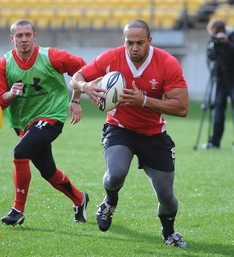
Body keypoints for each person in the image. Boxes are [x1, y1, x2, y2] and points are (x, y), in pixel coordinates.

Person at [70, 19, 189, 248]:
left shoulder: (167, 62)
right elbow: (78, 77)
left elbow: (182, 107)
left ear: (149, 41)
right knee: (115, 174)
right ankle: (110, 201)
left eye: (140, 43)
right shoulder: (112, 57)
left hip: (154, 133)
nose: (134, 48)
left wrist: (143, 100)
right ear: (123, 41)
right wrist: (85, 89)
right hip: (120, 128)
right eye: (130, 42)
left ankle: (169, 232)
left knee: (166, 195)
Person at [0, 19, 89, 226]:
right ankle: (80, 199)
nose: (23, 39)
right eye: (19, 35)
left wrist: (75, 100)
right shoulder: (4, 63)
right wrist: (9, 94)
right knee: (48, 172)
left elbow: (83, 70)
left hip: (52, 116)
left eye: (27, 35)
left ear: (34, 36)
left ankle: (17, 210)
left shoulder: (51, 56)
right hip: (23, 123)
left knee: (20, 153)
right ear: (12, 38)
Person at [202, 18, 234, 151]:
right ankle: (215, 142)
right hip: (220, 79)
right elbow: (209, 57)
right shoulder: (213, 40)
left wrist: (227, 43)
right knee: (217, 111)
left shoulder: (233, 36)